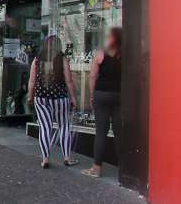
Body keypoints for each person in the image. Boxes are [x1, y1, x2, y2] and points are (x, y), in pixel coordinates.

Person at [28, 36, 79, 168]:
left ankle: (45, 158)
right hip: (60, 98)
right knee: (64, 126)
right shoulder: (62, 59)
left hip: (41, 97)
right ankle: (67, 157)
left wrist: (30, 97)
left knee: (45, 128)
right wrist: (74, 99)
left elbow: (32, 81)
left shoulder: (37, 60)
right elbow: (69, 81)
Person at [82, 27, 122, 178]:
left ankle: (96, 168)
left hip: (102, 95)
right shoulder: (124, 54)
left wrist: (92, 95)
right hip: (119, 95)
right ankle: (123, 171)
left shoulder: (100, 54)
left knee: (101, 133)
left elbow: (92, 76)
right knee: (119, 133)